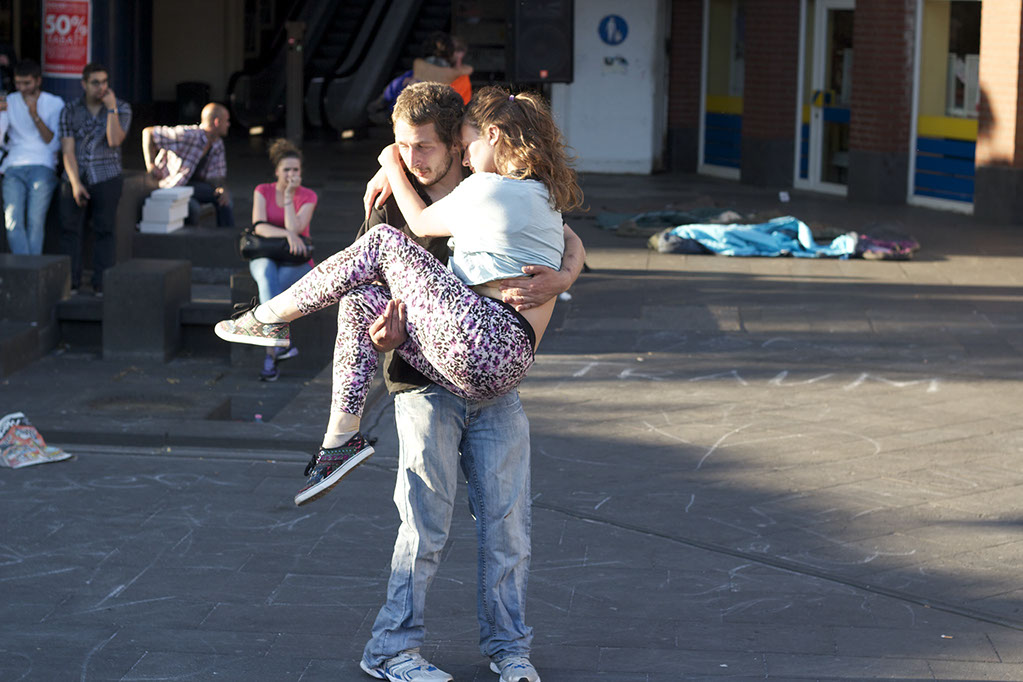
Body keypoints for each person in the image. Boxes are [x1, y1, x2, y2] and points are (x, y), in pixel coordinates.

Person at [215, 83, 584, 682]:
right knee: (424, 523)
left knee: (507, 528)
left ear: (463, 143)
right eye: (401, 146)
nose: (413, 159)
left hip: (486, 366)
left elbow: (567, 241)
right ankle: (392, 646)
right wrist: (386, 338)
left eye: (427, 146)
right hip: (431, 377)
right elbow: (375, 293)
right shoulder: (409, 202)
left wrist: (562, 277)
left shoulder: (479, 187)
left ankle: (272, 325)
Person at [57, 62, 131, 295]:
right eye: (95, 83)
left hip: (106, 174)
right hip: (75, 174)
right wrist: (75, 183)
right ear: (84, 84)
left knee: (105, 229)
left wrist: (111, 109)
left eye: (105, 82)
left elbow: (114, 141)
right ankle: (71, 282)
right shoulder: (70, 110)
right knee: (70, 230)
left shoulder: (121, 107)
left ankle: (101, 284)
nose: (101, 87)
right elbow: (67, 150)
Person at [249, 138, 316, 381]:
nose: (291, 174)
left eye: (295, 170)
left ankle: (271, 355)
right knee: (267, 274)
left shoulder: (308, 196)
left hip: (296, 260)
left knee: (273, 289)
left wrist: (288, 197)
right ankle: (276, 348)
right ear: (277, 171)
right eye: (286, 169)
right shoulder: (262, 190)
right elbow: (259, 226)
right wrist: (287, 234)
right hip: (264, 254)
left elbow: (296, 227)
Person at [0, 59, 63, 255]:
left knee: (35, 221)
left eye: (27, 83)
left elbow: (53, 143)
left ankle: (32, 268)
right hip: (13, 166)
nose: (22, 88)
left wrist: (35, 115)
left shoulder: (54, 103)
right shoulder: (9, 101)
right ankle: (24, 267)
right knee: (12, 220)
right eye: (18, 83)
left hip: (43, 165)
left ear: (38, 81)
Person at [141, 102, 234, 227]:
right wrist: (151, 164)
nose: (228, 124)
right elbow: (149, 132)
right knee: (193, 209)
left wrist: (222, 189)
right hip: (173, 185)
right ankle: (189, 237)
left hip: (192, 186)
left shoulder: (217, 144)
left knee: (225, 199)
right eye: (226, 121)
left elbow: (216, 176)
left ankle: (226, 235)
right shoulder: (188, 135)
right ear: (217, 122)